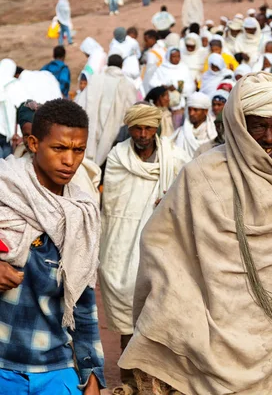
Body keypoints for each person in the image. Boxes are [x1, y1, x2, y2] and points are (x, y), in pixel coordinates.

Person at [119, 73, 272, 395]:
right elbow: (161, 245)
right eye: (258, 125)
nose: (267, 137)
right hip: (209, 335)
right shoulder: (200, 174)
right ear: (238, 123)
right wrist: (179, 303)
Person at [0, 99, 105, 394]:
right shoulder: (5, 190)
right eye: (59, 148)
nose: (70, 161)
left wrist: (92, 375)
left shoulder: (81, 213)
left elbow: (83, 301)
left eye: (78, 150)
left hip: (55, 368)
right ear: (34, 143)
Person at [98, 103, 189, 393]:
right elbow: (112, 208)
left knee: (161, 311)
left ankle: (162, 379)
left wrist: (168, 204)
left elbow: (186, 196)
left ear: (156, 128)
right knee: (127, 315)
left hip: (159, 247)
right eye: (137, 127)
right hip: (121, 247)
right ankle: (128, 381)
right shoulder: (117, 157)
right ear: (130, 128)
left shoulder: (174, 159)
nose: (142, 133)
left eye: (148, 128)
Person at [76, 54, 137, 168]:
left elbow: (81, 102)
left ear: (107, 64)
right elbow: (131, 110)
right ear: (121, 65)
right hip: (116, 133)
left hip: (91, 128)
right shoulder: (127, 84)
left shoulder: (95, 79)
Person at [149, 48, 196, 129]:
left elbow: (191, 86)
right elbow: (152, 83)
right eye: (174, 56)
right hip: (163, 105)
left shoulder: (184, 68)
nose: (176, 59)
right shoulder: (162, 69)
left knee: (177, 127)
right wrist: (165, 87)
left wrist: (179, 88)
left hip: (178, 105)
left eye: (178, 56)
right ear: (168, 57)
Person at [173, 92, 217, 158]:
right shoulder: (181, 132)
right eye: (189, 109)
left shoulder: (213, 131)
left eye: (195, 110)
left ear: (205, 111)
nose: (191, 113)